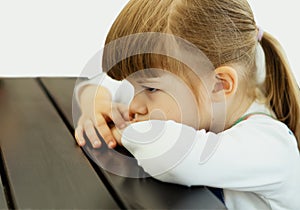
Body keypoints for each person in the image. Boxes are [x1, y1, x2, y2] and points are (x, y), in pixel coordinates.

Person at [74, 0, 300, 209]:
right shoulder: (206, 95)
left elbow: (168, 154)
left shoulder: (269, 148)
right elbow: (100, 82)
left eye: (150, 89)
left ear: (220, 85)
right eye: (134, 87)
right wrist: (96, 104)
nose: (134, 105)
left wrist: (124, 131)